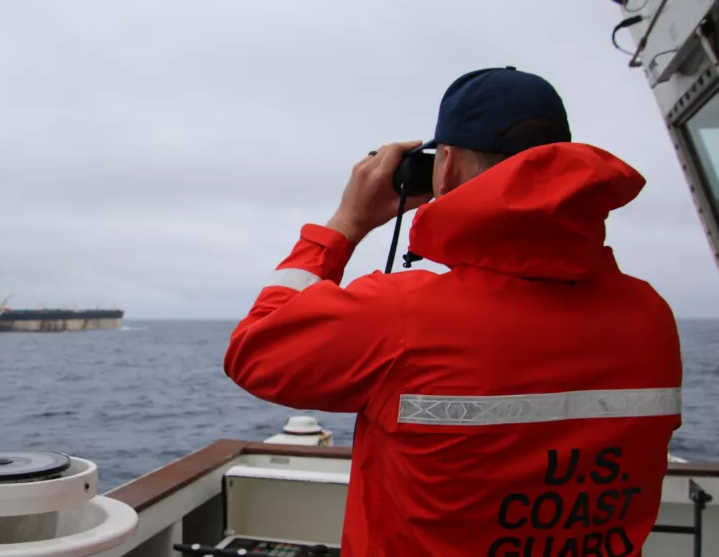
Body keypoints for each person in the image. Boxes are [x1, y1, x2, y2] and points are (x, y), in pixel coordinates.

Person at [223, 67, 683, 556]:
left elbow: (254, 350)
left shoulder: (400, 318)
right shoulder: (651, 319)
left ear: (446, 166)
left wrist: (346, 224)